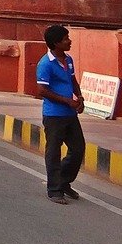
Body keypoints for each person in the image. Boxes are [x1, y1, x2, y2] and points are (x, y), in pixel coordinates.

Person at [35, 24, 85, 204]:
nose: (69, 41)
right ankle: (54, 190)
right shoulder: (45, 64)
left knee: (78, 149)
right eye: (65, 39)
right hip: (54, 115)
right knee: (54, 152)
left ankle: (63, 181)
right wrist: (66, 101)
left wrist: (79, 97)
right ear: (56, 43)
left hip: (70, 114)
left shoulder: (68, 59)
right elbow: (42, 90)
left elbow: (72, 79)